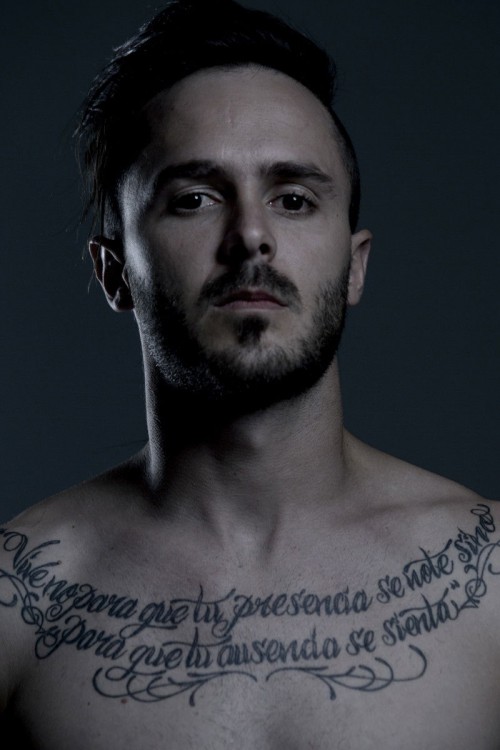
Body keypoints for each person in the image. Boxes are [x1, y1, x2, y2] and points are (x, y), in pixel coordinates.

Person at [0, 1, 498, 747]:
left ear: (354, 265)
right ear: (115, 272)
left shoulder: (487, 582)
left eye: (293, 199)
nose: (251, 237)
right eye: (194, 200)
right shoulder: (19, 606)